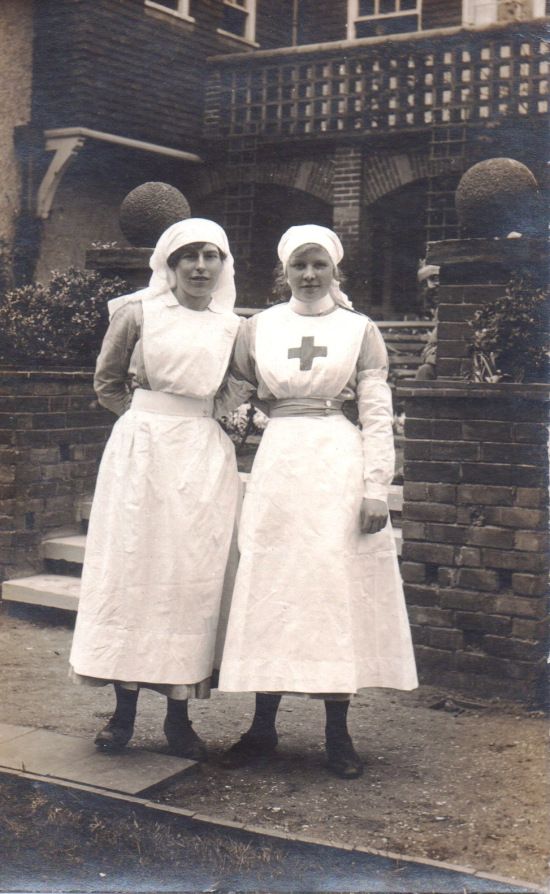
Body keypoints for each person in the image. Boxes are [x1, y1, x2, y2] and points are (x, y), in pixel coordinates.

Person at [215, 225, 418, 779]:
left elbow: (376, 414)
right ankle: (262, 726)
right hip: (279, 461)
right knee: (273, 584)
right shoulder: (258, 328)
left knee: (332, 591)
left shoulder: (359, 330)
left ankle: (337, 732)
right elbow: (230, 397)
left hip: (335, 463)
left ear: (335, 271)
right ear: (284, 272)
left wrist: (377, 487)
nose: (309, 276)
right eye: (299, 266)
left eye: (319, 266)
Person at [69, 218, 241, 760]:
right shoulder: (137, 314)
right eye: (187, 256)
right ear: (169, 264)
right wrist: (144, 419)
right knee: (133, 572)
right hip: (140, 455)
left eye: (210, 256)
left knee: (187, 579)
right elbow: (106, 381)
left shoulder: (233, 326)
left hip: (201, 457)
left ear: (222, 264)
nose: (198, 266)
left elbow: (240, 380)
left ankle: (178, 717)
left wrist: (208, 416)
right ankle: (122, 714)